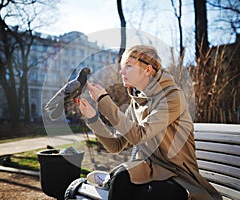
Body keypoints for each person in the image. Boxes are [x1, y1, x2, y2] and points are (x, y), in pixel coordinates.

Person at [78, 45, 222, 200]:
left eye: (128, 66)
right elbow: (116, 145)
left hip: (178, 176)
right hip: (150, 171)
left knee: (145, 193)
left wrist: (104, 101)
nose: (122, 71)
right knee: (121, 178)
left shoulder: (172, 97)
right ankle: (109, 181)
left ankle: (108, 181)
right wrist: (93, 118)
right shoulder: (136, 103)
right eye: (122, 67)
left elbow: (140, 135)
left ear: (147, 69)